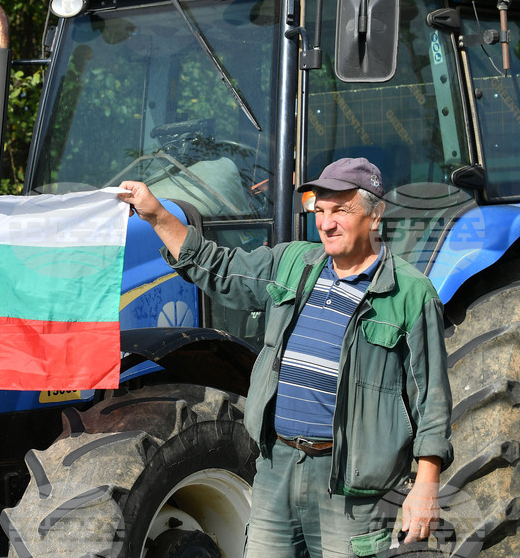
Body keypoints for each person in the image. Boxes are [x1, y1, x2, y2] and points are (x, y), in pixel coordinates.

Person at [118, 157, 452, 558]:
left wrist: (426, 485)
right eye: (320, 210)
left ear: (375, 215)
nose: (326, 223)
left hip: (351, 488)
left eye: (341, 211)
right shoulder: (294, 263)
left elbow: (430, 399)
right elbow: (217, 267)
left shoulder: (411, 295)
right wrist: (156, 215)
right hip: (277, 469)